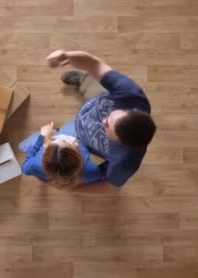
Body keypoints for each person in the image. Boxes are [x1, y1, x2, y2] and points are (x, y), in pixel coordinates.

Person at [46, 50, 156, 193]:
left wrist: (73, 189)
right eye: (112, 116)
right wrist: (68, 56)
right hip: (96, 99)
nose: (103, 120)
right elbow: (95, 64)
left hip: (81, 137)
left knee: (62, 141)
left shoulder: (126, 161)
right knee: (93, 84)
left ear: (121, 143)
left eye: (108, 127)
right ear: (130, 110)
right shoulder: (130, 93)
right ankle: (83, 80)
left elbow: (110, 185)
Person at [22, 121, 103, 188]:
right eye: (65, 141)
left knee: (24, 145)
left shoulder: (33, 165)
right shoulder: (90, 170)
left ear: (46, 146)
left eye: (56, 138)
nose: (73, 140)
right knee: (73, 126)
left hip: (47, 175)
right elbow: (100, 174)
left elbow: (24, 168)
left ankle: (23, 146)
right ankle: (58, 130)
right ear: (76, 147)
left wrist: (41, 138)